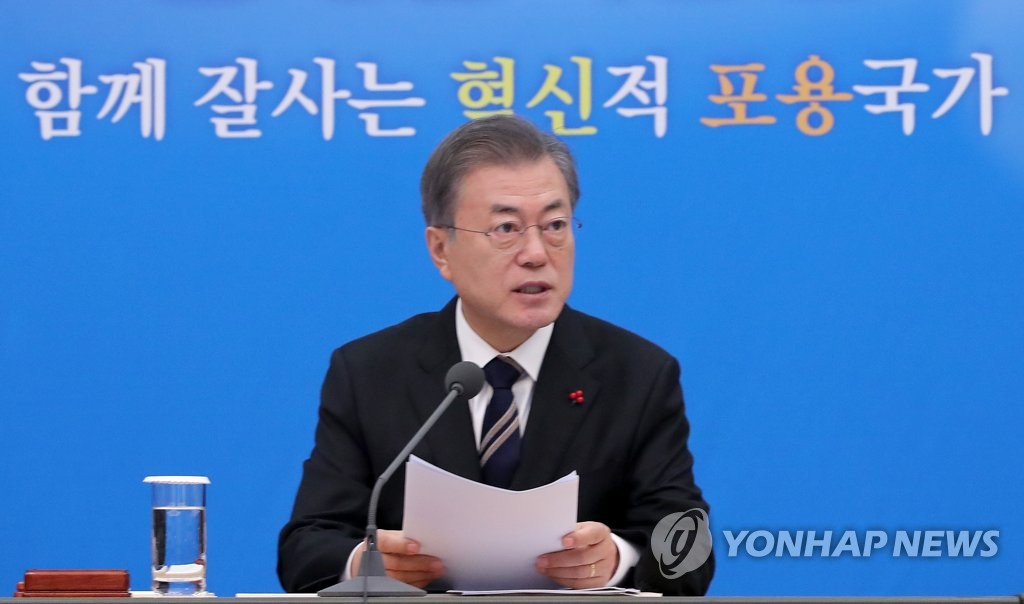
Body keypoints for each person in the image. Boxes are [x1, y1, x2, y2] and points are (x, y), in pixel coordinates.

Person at [277, 115, 713, 596]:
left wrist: (614, 559)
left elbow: (690, 551)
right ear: (440, 249)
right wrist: (368, 563)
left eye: (555, 225)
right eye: (506, 228)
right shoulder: (370, 373)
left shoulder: (637, 375)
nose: (536, 253)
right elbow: (305, 548)